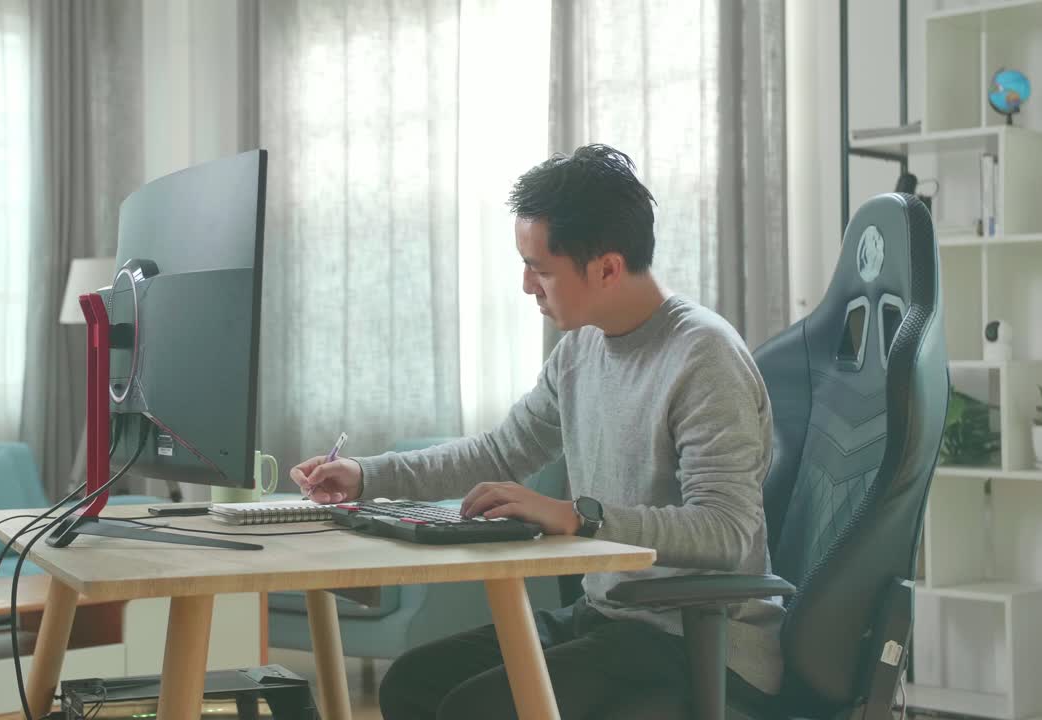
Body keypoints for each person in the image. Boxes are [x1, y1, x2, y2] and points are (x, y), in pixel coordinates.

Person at [288, 144, 783, 719]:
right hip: (614, 619)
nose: (527, 286)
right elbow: (501, 451)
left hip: (699, 643)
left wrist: (579, 515)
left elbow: (727, 531)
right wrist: (367, 475)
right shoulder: (580, 349)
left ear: (606, 268)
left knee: (474, 711)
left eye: (541, 269)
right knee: (412, 684)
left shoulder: (704, 356)